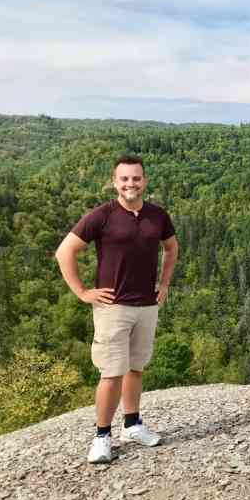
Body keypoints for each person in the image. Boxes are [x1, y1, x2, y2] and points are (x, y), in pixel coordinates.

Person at [55, 154, 179, 463]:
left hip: (147, 305)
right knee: (111, 373)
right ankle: (101, 436)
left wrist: (164, 283)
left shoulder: (157, 216)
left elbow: (171, 247)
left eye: (136, 178)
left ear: (144, 181)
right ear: (115, 182)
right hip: (113, 307)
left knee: (135, 367)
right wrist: (82, 291)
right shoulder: (102, 215)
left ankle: (133, 424)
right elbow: (64, 251)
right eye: (124, 179)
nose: (130, 184)